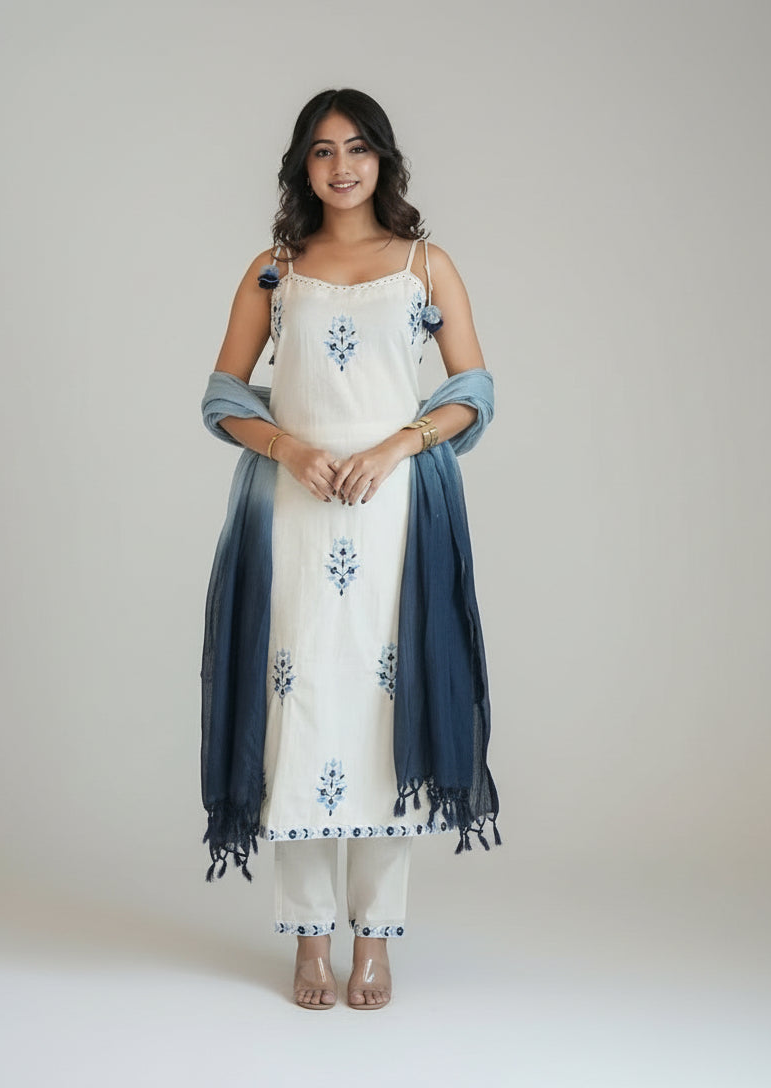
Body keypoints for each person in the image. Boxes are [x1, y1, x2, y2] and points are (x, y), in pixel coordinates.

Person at [200, 88, 501, 1011]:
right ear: (302, 163)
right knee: (296, 713)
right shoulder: (272, 270)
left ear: (383, 161)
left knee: (385, 716)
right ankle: (306, 939)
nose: (341, 166)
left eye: (359, 148)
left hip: (396, 517)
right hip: (290, 514)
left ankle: (374, 939)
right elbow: (222, 394)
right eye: (323, 150)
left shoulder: (423, 265)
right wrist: (288, 446)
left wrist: (394, 446)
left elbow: (475, 390)